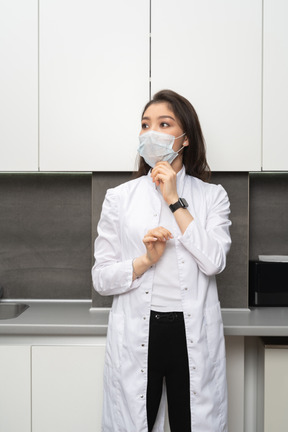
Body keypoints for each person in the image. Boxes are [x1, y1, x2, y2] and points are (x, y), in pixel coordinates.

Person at [92, 89, 232, 432]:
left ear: (185, 138)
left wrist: (174, 200)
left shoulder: (212, 197)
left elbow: (213, 261)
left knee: (193, 424)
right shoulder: (119, 198)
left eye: (163, 123)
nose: (150, 132)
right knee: (134, 423)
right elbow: (102, 278)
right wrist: (144, 261)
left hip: (192, 331)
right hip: (139, 329)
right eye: (145, 124)